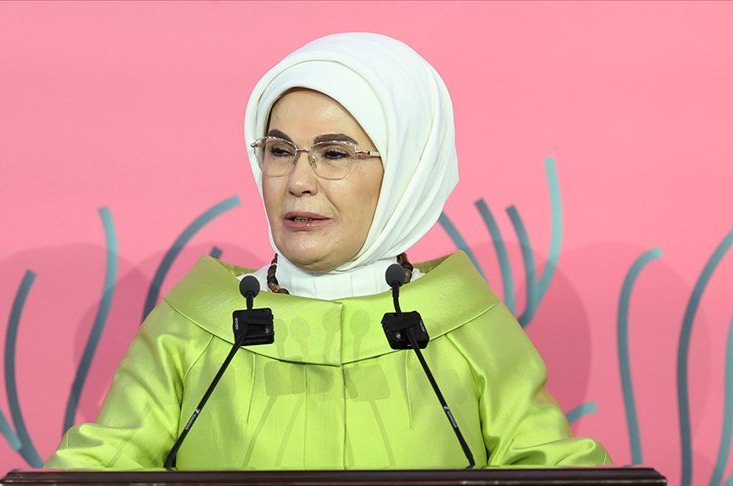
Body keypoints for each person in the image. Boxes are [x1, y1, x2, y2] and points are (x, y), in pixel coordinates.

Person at [45, 32, 610, 470]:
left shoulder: (465, 326)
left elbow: (556, 472)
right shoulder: (195, 326)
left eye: (334, 154)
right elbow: (96, 470)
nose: (297, 181)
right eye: (279, 150)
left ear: (407, 172)